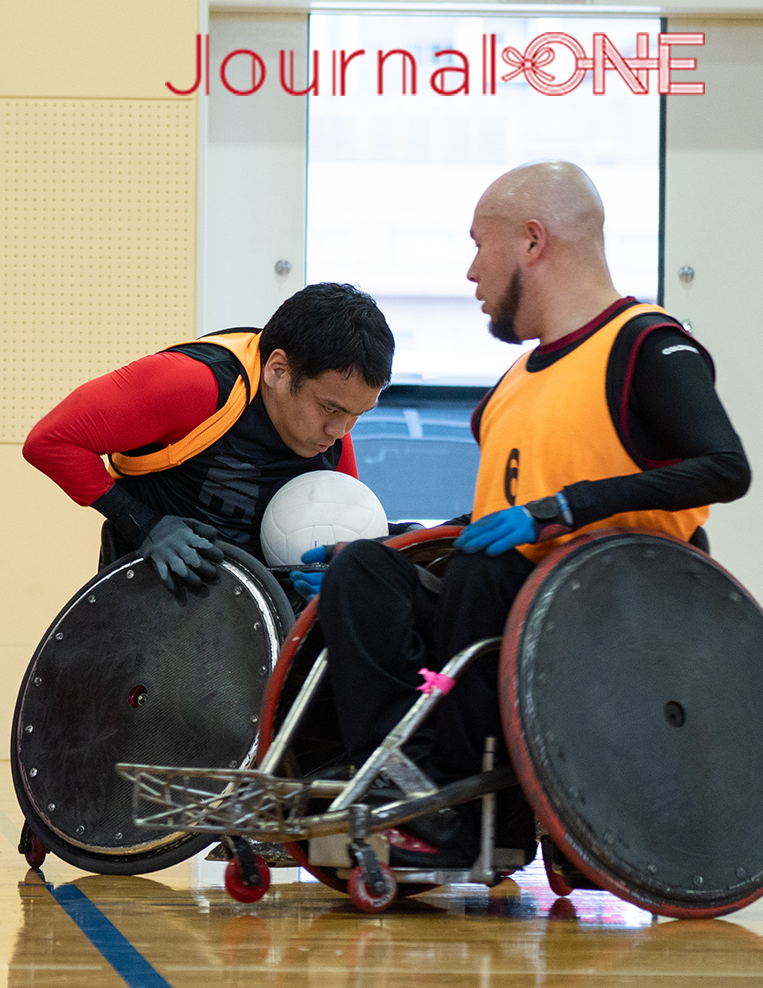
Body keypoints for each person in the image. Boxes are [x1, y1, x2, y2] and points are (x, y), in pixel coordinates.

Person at [311, 160, 750, 867]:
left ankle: (482, 812)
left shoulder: (644, 344)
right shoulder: (510, 388)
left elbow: (726, 468)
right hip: (509, 599)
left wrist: (560, 511)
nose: (470, 272)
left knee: (487, 570)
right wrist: (393, 545)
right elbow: (494, 516)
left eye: (479, 244)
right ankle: (406, 781)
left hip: (618, 619)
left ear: (533, 242)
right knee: (365, 573)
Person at [22, 282, 395, 590]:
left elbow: (345, 535)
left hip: (261, 618)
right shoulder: (194, 384)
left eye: (357, 415)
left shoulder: (332, 430)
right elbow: (51, 441)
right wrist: (144, 525)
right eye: (330, 409)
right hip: (150, 611)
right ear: (278, 370)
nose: (340, 431)